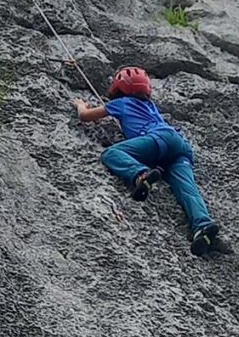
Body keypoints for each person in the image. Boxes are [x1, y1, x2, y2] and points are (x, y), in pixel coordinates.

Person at [72, 66, 220, 256]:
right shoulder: (151, 106)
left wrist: (80, 104)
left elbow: (85, 116)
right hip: (179, 145)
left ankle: (141, 174)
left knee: (111, 153)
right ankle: (203, 226)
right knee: (187, 189)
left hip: (156, 140)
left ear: (119, 87)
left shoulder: (122, 103)